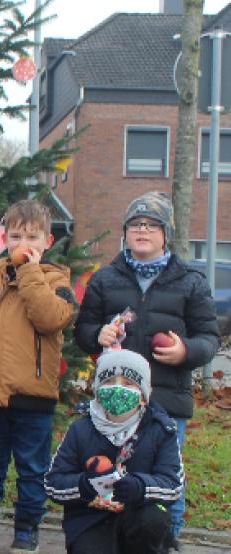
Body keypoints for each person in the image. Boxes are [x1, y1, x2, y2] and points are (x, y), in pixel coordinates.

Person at [75, 191, 219, 551]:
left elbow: (209, 338)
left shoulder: (191, 281)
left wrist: (187, 350)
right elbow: (83, 330)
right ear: (124, 232)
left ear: (165, 234)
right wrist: (97, 334)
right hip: (113, 402)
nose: (142, 231)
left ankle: (167, 542)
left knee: (164, 478)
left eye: (152, 225)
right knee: (109, 474)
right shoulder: (105, 279)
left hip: (167, 400)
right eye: (135, 225)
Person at [0, 199, 74, 553]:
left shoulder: (55, 280)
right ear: (4, 238)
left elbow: (51, 319)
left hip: (33, 397)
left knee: (32, 471)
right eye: (16, 235)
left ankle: (26, 530)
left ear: (47, 242)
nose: (24, 243)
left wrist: (30, 274)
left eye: (32, 237)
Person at [44, 349, 183, 554]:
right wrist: (84, 486)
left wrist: (140, 487)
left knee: (152, 521)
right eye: (109, 382)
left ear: (143, 395)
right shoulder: (80, 430)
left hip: (141, 512)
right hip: (90, 517)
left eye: (128, 384)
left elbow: (173, 485)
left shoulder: (161, 429)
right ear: (98, 390)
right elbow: (53, 483)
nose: (118, 389)